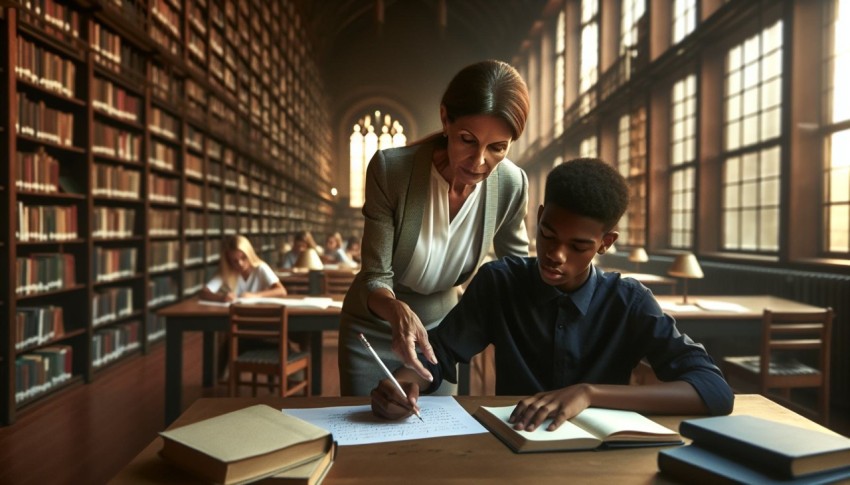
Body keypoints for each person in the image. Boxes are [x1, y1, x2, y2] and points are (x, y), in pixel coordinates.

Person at [370, 158, 734, 430]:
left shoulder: (629, 301)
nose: (556, 255)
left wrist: (588, 394)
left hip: (601, 458)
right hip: (514, 445)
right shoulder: (501, 283)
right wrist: (404, 383)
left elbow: (714, 390)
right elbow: (439, 356)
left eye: (578, 246)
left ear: (606, 243)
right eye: (547, 234)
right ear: (540, 216)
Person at [338, 59, 531, 395]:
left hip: (440, 337)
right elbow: (374, 276)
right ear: (445, 119)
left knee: (435, 428)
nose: (479, 161)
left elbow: (517, 274)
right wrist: (396, 310)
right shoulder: (392, 171)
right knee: (365, 425)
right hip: (375, 327)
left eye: (497, 147)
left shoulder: (511, 184)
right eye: (467, 140)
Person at [200, 235, 286, 302]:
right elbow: (204, 293)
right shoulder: (227, 270)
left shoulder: (260, 268)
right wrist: (222, 297)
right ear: (229, 260)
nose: (240, 264)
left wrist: (255, 295)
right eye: (234, 261)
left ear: (249, 254)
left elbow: (281, 291)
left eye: (244, 258)